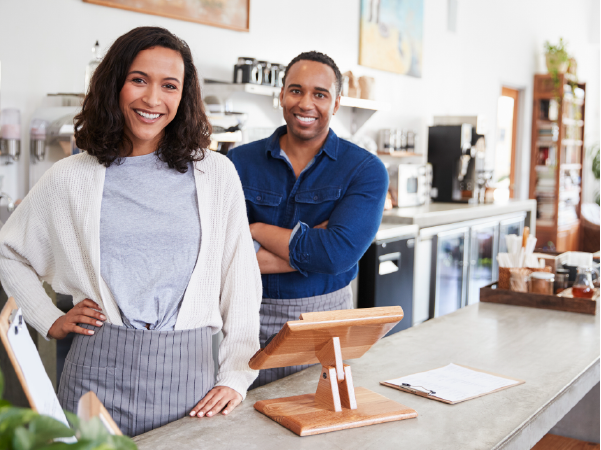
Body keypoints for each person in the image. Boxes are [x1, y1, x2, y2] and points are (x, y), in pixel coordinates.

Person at [0, 27, 261, 436]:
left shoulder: (216, 175)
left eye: (169, 86)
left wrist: (236, 375)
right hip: (94, 377)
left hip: (190, 381)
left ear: (183, 96)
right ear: (114, 84)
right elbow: (8, 252)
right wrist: (48, 317)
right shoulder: (71, 177)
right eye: (138, 80)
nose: (152, 99)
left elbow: (241, 281)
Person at [227, 51, 388, 387]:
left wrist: (254, 231)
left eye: (320, 94)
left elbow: (336, 255)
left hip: (326, 321)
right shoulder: (237, 162)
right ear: (281, 94)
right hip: (246, 316)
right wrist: (312, 247)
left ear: (337, 102)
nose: (305, 103)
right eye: (296, 90)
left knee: (316, 420)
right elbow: (221, 253)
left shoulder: (365, 169)